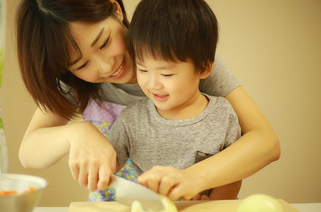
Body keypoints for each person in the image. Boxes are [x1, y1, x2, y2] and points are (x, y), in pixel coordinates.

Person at [15, 0, 280, 199]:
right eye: (82, 63)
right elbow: (28, 152)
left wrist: (189, 179)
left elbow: (265, 142)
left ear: (115, 9)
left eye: (104, 42)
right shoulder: (78, 83)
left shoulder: (181, 56)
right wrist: (77, 133)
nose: (106, 66)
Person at [104, 0, 241, 200]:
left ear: (203, 68)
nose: (153, 84)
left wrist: (213, 203)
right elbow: (108, 163)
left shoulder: (223, 115)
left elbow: (233, 174)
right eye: (142, 69)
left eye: (166, 75)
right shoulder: (131, 120)